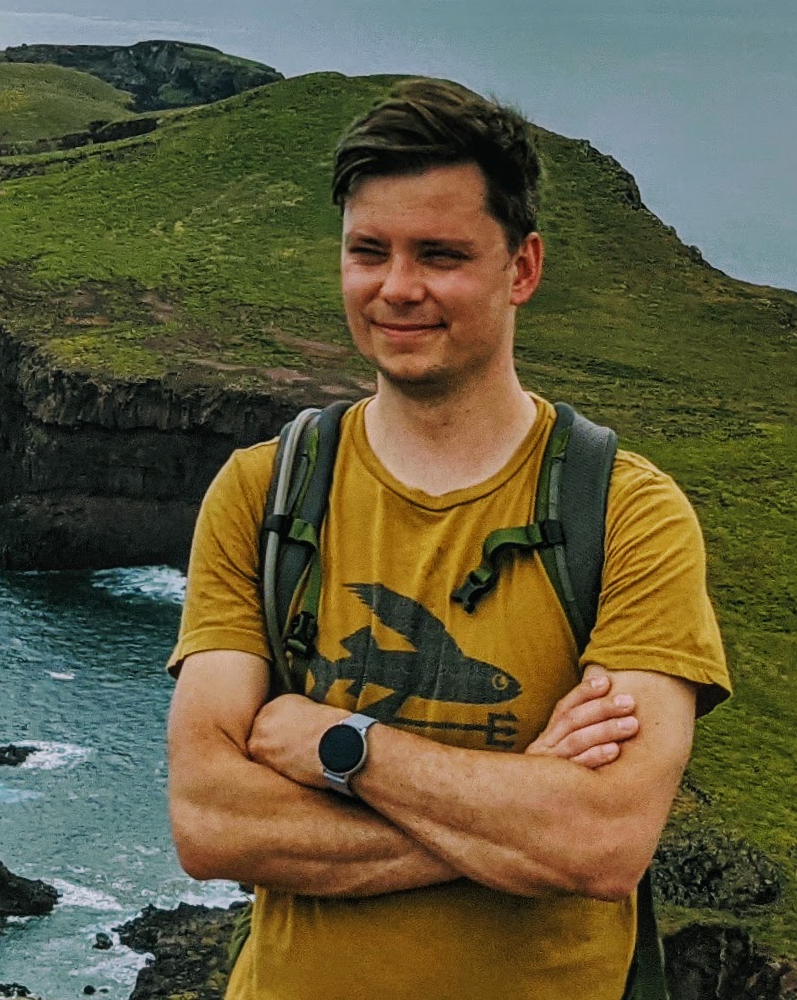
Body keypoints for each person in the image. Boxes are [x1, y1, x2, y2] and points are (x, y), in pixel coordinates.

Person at [164, 79, 730, 1000]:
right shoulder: (263, 491)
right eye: (368, 252)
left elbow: (598, 845)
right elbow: (210, 825)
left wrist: (337, 747)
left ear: (522, 268)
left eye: (439, 254)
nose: (397, 289)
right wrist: (514, 808)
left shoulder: (627, 513)